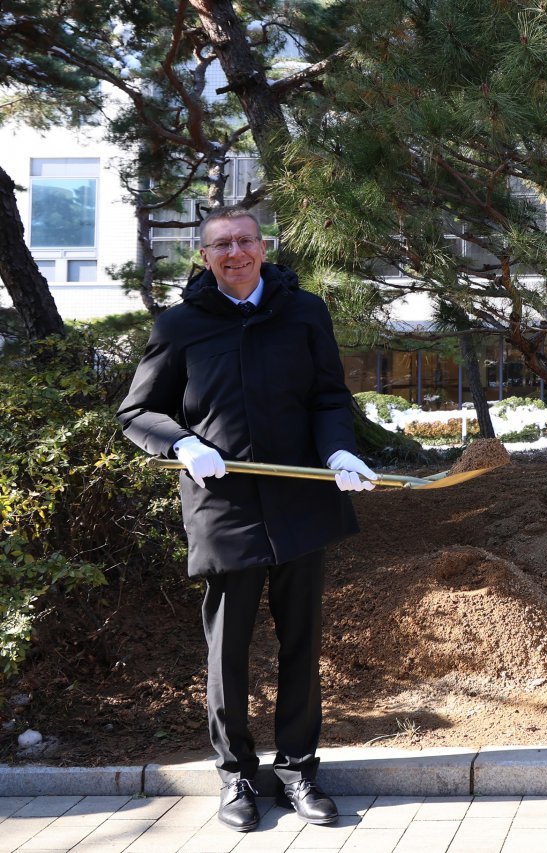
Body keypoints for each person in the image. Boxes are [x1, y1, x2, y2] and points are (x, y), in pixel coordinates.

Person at [117, 207, 378, 832]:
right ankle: (236, 777)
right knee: (227, 652)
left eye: (244, 240)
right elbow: (137, 412)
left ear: (263, 247)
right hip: (224, 507)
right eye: (220, 244)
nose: (234, 252)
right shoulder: (180, 325)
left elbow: (328, 397)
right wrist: (181, 444)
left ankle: (297, 771)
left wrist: (338, 447)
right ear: (203, 257)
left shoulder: (305, 312)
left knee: (302, 645)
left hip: (300, 502)